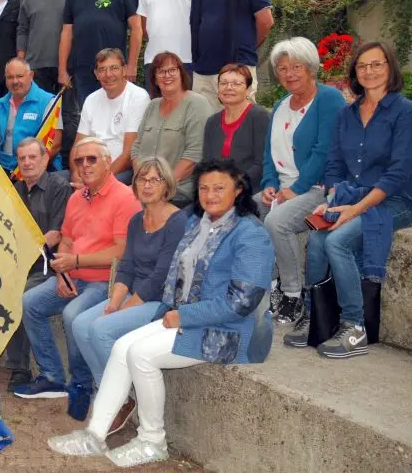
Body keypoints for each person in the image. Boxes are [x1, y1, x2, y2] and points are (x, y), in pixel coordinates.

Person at [49, 158, 273, 467]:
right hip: (185, 316)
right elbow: (175, 277)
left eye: (219, 188)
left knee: (140, 354)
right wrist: (168, 311)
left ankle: (153, 441)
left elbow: (242, 302)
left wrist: (183, 316)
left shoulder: (251, 234)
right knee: (121, 346)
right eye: (204, 188)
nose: (210, 195)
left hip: (228, 331)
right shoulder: (198, 223)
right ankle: (95, 435)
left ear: (238, 190)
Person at [284, 42, 412, 359]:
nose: (370, 71)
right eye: (363, 66)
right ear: (354, 73)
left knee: (338, 241)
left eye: (377, 64)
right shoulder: (347, 114)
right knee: (317, 238)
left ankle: (354, 326)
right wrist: (332, 199)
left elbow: (397, 174)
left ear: (390, 68)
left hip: (394, 201)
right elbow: (334, 165)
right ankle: (317, 318)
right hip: (349, 197)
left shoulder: (406, 114)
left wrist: (354, 211)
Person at [15, 138, 141, 423]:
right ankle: (52, 377)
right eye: (79, 160)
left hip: (105, 281)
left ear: (109, 162)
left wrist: (76, 263)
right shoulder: (76, 197)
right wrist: (62, 272)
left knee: (73, 313)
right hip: (74, 274)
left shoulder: (124, 197)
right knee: (30, 301)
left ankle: (81, 383)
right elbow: (67, 239)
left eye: (91, 159)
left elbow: (121, 253)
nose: (84, 165)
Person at [70, 157, 185, 432]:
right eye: (142, 179)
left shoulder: (178, 221)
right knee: (80, 324)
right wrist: (115, 302)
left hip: (161, 300)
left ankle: (116, 396)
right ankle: (117, 397)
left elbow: (162, 275)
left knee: (100, 330)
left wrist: (128, 306)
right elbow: (128, 266)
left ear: (166, 184)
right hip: (134, 293)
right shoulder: (137, 220)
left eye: (154, 179)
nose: (147, 185)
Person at [256, 37, 346, 324]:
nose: (289, 74)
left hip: (318, 187)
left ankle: (294, 295)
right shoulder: (281, 105)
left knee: (277, 222)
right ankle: (264, 287)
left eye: (296, 66)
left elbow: (324, 151)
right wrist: (269, 185)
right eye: (283, 68)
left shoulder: (328, 99)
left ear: (310, 68)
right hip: (284, 187)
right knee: (247, 209)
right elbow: (269, 153)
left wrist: (294, 190)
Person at [59, 0, 141, 156]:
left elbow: (137, 29)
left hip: (114, 70)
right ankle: (92, 163)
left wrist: (131, 65)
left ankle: (116, 165)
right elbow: (67, 32)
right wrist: (62, 69)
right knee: (90, 122)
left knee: (120, 122)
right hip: (83, 70)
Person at [4, 137, 72, 390]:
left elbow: (56, 234)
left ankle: (21, 369)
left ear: (45, 159)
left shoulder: (59, 186)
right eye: (22, 158)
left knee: (19, 293)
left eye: (33, 157)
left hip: (49, 267)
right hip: (19, 264)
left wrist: (23, 250)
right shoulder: (16, 192)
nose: (27, 163)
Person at [190, 0, 274, 109]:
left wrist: (246, 46)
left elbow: (266, 21)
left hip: (237, 69)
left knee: (240, 123)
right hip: (204, 72)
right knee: (207, 126)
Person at [131, 51, 212, 207]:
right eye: (161, 71)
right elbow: (136, 147)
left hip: (177, 191)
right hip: (145, 189)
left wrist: (162, 186)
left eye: (172, 70)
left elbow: (194, 155)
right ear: (154, 78)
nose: (167, 75)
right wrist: (142, 181)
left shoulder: (197, 104)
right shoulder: (152, 106)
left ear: (181, 73)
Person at [75, 48, 150, 183]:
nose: (108, 74)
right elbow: (77, 146)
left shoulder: (138, 97)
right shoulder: (91, 99)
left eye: (114, 68)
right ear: (96, 74)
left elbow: (129, 153)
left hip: (120, 171)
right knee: (57, 182)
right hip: (89, 169)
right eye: (102, 70)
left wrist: (100, 180)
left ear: (124, 70)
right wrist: (76, 175)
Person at [17, 0, 82, 93]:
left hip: (69, 65)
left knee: (69, 114)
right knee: (40, 113)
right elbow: (22, 29)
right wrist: (21, 61)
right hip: (36, 66)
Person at [202, 64, 270, 190]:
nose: (229, 88)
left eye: (236, 83)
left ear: (248, 89)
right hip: (215, 191)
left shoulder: (260, 117)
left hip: (249, 190)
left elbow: (261, 163)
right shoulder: (212, 122)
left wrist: (233, 184)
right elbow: (206, 163)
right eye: (223, 83)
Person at [0, 58, 59, 173]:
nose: (15, 81)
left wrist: (23, 171)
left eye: (20, 76)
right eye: (10, 77)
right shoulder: (0, 103)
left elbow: (55, 144)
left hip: (38, 170)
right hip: (4, 170)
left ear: (31, 75)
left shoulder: (49, 101)